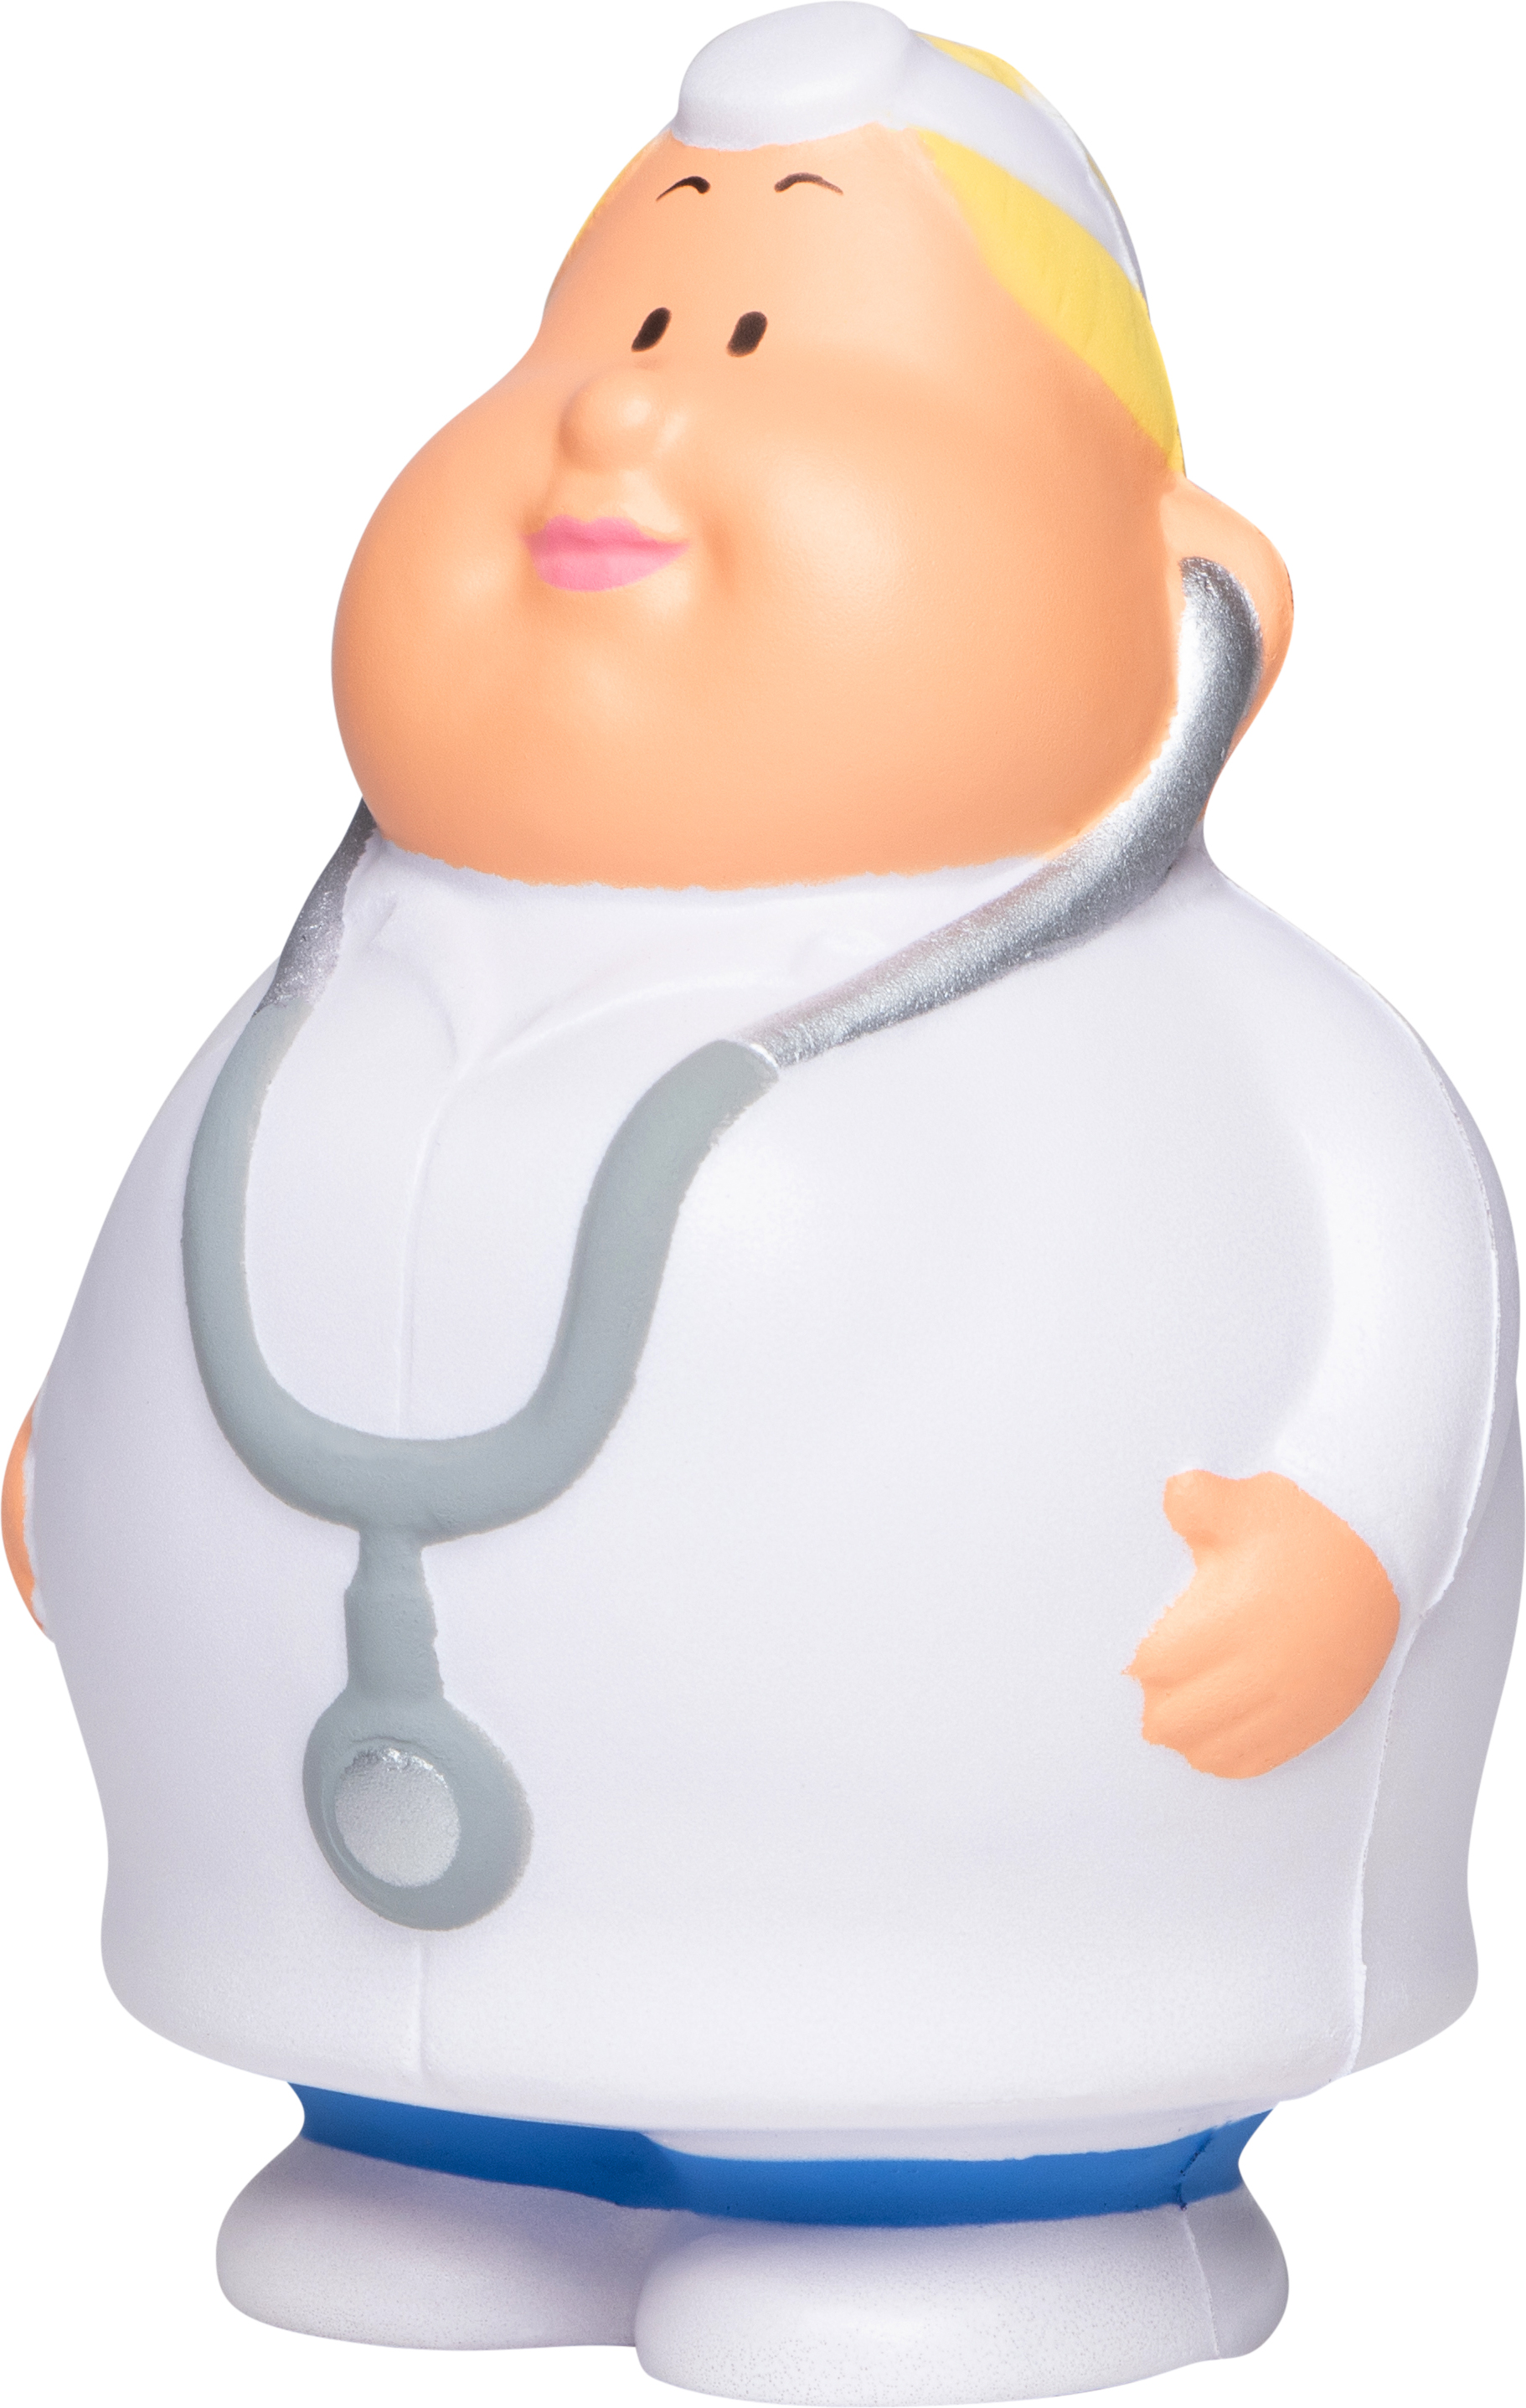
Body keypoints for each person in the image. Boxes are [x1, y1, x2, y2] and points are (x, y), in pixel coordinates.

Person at [6, 8, 1518, 2398]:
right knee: (411, 2119)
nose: (623, 417)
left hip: (1010, 1915)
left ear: (1192, 599)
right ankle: (456, 2152)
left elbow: (1418, 1271)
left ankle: (1020, 2211)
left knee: (938, 2083)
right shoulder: (350, 967)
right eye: (617, 324)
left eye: (745, 345)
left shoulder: (1229, 1024)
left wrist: (1354, 1528)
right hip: (358, 1911)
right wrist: (82, 1458)